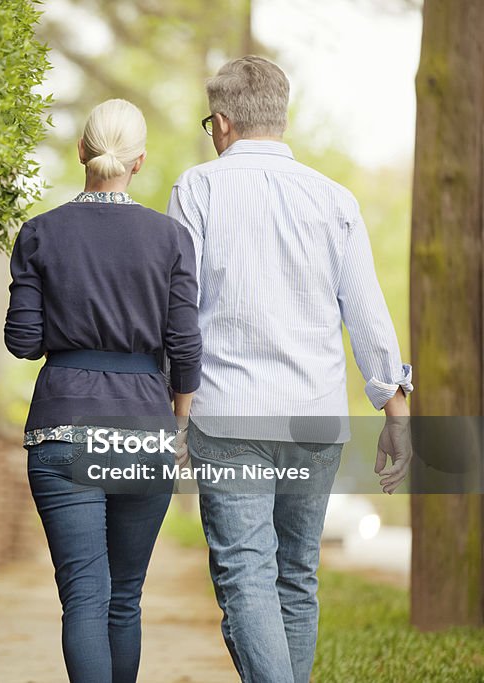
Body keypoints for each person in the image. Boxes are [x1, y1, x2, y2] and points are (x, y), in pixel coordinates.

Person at [167, 56, 414, 683]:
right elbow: (367, 310)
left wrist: (175, 411)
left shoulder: (197, 189)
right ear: (281, 117)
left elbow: (178, 312)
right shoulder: (335, 200)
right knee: (295, 579)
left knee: (248, 576)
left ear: (221, 122)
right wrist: (396, 408)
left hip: (228, 414)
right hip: (314, 417)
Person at [5, 98, 202, 683]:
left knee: (85, 599)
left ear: (81, 152)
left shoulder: (40, 234)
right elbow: (186, 348)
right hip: (143, 430)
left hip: (62, 427)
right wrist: (179, 425)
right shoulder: (170, 238)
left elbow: (23, 340)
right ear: (139, 162)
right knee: (125, 598)